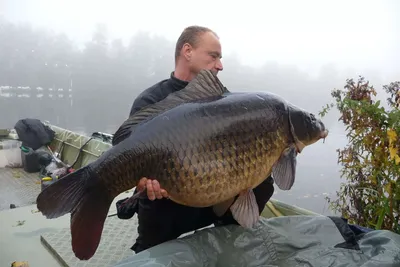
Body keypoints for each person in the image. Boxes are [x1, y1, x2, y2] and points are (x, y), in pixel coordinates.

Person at [115, 25, 275, 253]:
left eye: (219, 58)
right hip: (166, 202)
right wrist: (141, 182)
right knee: (154, 225)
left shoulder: (223, 100)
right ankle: (150, 249)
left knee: (264, 180)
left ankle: (229, 238)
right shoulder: (151, 100)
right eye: (214, 56)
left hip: (211, 192)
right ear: (187, 51)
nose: (220, 65)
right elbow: (128, 155)